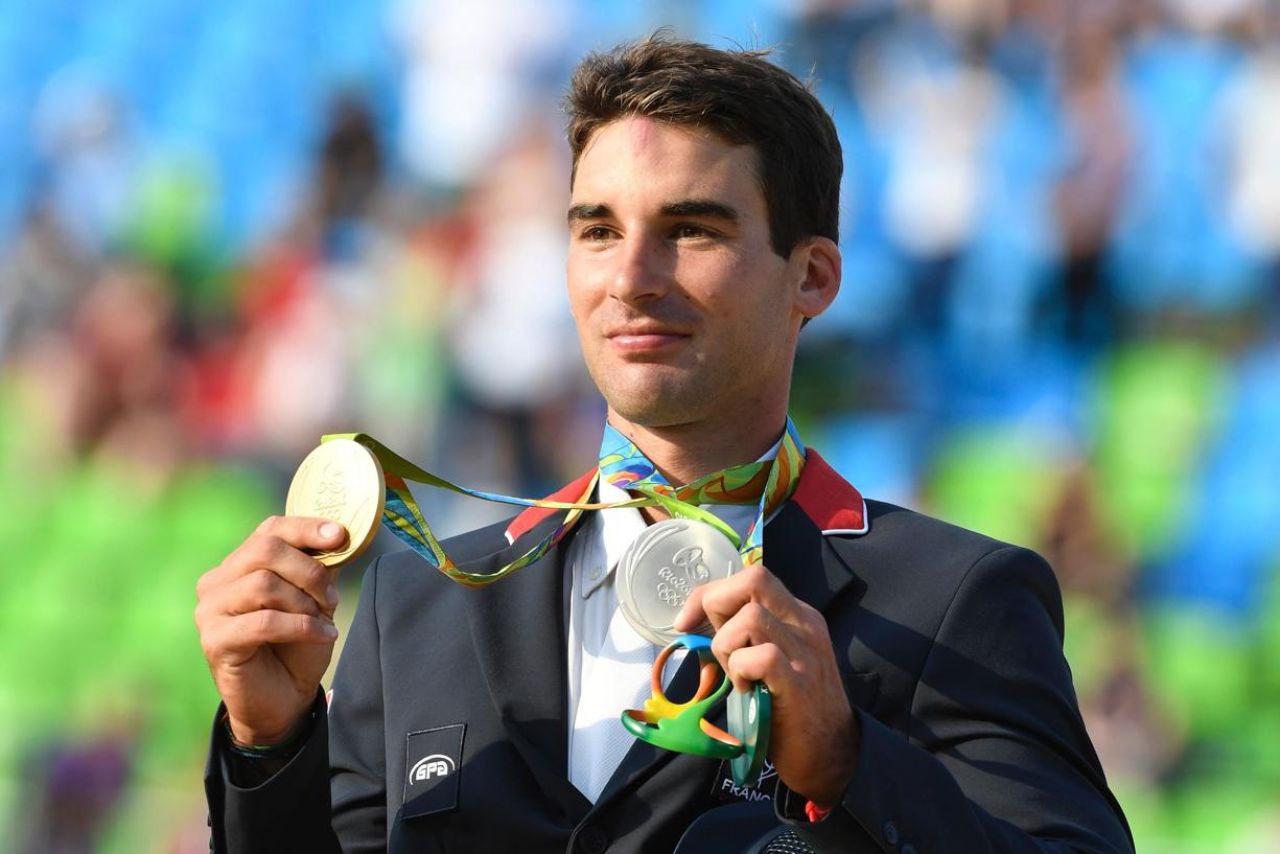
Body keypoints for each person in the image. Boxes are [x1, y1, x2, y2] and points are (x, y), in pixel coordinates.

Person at [194, 36, 1133, 853]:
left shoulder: (951, 603)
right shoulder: (420, 604)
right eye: (597, 230)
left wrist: (849, 761)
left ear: (811, 277)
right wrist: (268, 743)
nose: (632, 278)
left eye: (690, 230)